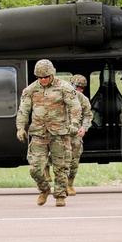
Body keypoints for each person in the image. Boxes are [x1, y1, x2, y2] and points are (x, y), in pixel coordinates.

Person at [16, 59, 82, 207]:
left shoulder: (64, 87)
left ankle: (60, 195)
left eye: (46, 77)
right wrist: (20, 127)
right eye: (40, 77)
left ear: (52, 74)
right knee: (35, 168)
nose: (43, 80)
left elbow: (75, 106)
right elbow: (23, 110)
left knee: (61, 166)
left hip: (59, 133)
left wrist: (74, 124)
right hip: (39, 133)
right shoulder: (31, 90)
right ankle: (44, 189)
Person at [65, 74, 93, 196]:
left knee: (74, 160)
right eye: (78, 87)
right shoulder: (61, 95)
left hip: (75, 134)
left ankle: (69, 184)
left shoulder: (83, 99)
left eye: (82, 88)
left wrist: (84, 128)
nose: (79, 90)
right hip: (60, 132)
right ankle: (60, 184)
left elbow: (88, 115)